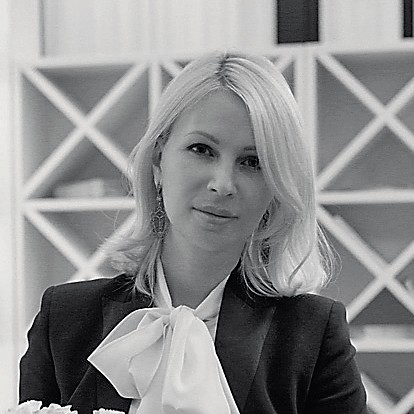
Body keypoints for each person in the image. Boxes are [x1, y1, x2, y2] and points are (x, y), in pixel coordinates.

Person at [19, 50, 367, 414]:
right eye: (202, 149)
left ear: (276, 186)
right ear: (158, 160)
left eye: (252, 162)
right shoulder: (64, 319)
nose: (223, 184)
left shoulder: (313, 335)